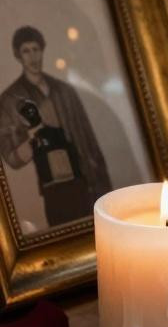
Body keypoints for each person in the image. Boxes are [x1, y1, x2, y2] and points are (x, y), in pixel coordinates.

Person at [0, 26, 111, 227]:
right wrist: (32, 139)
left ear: (42, 50)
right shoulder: (10, 99)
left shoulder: (65, 90)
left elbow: (88, 140)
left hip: (83, 182)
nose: (33, 57)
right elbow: (11, 159)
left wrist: (103, 186)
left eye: (36, 49)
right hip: (53, 188)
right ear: (18, 55)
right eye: (26, 51)